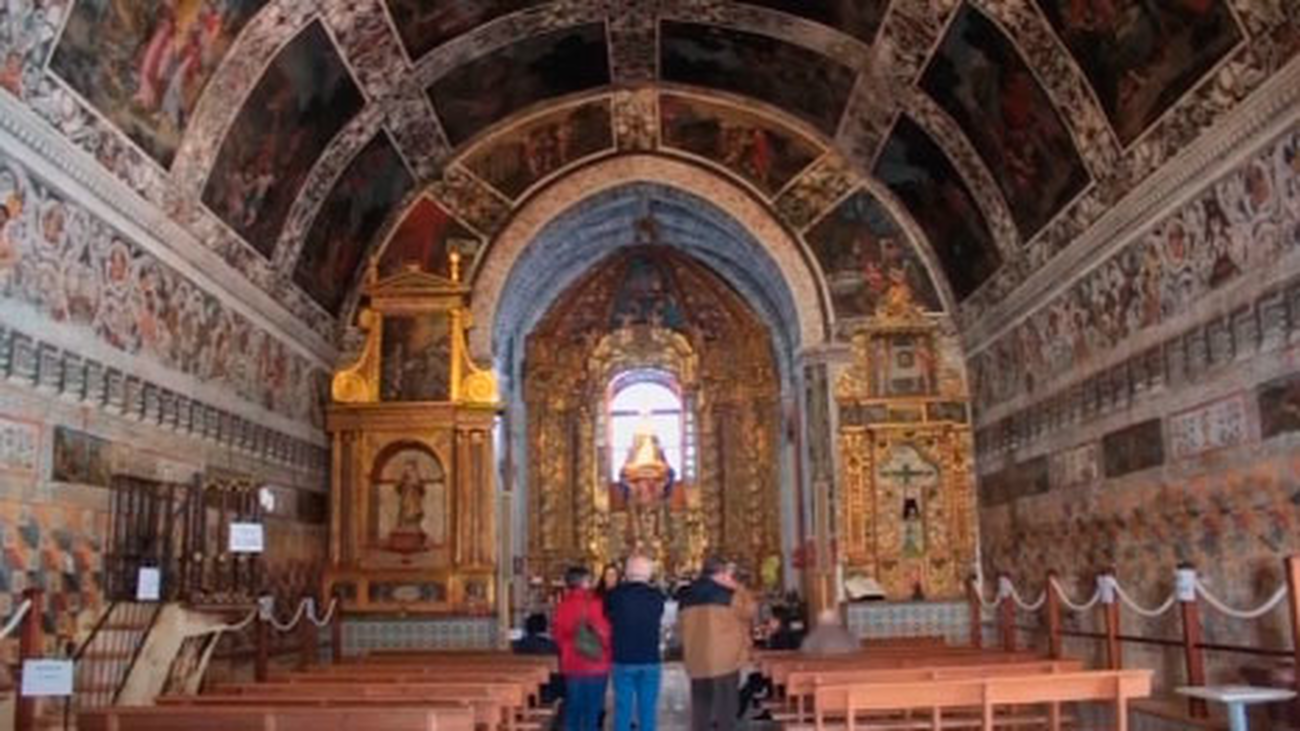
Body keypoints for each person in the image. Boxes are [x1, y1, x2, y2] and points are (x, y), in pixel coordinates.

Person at [679, 557, 755, 731]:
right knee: (725, 713)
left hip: (697, 660)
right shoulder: (730, 594)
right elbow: (750, 611)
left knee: (701, 711)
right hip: (725, 662)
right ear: (721, 573)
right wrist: (739, 588)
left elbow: (680, 627)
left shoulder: (686, 595)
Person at [606, 555, 666, 731]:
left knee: (623, 708)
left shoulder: (615, 595)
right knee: (647, 709)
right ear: (649, 573)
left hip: (623, 658)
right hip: (650, 658)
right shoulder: (657, 596)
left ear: (626, 572)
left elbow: (609, 616)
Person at [554, 566, 612, 731]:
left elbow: (558, 635)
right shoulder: (595, 604)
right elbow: (605, 633)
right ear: (584, 582)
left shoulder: (562, 606)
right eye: (589, 580)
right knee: (592, 711)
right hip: (596, 664)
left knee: (573, 709)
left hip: (572, 665)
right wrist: (608, 651)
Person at [513, 613, 564, 706]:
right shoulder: (551, 645)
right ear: (545, 627)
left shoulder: (518, 645)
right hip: (548, 691)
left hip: (523, 690)